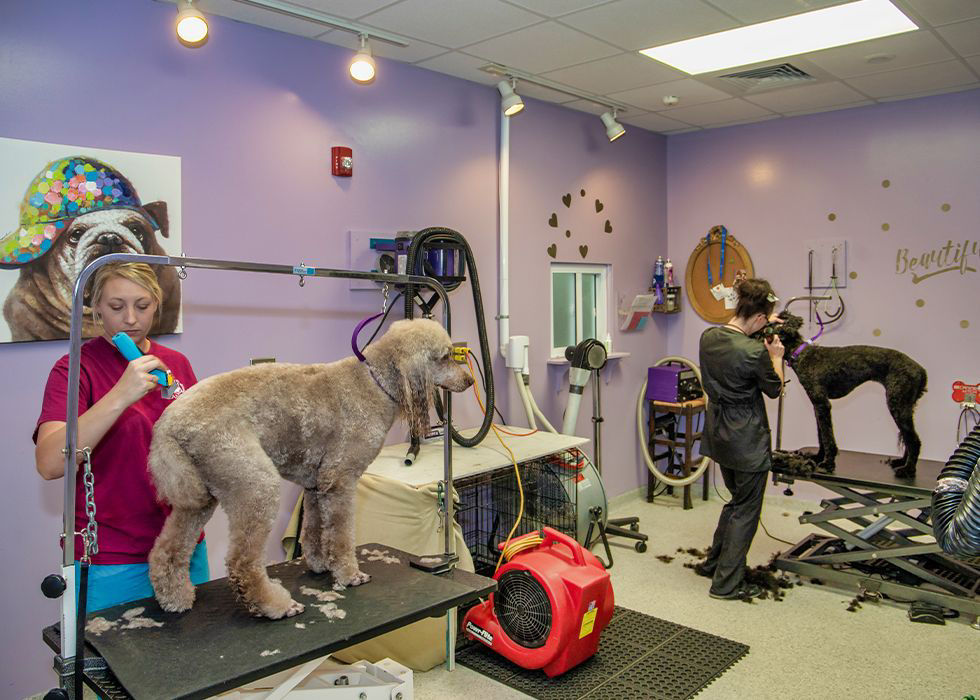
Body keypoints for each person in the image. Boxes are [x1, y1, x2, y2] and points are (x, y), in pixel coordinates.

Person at [34, 262, 207, 611]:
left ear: (157, 304)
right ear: (96, 307)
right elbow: (51, 463)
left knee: (195, 656)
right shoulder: (75, 369)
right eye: (116, 307)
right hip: (113, 556)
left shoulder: (176, 363)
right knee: (116, 662)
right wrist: (121, 395)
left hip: (183, 544)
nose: (130, 318)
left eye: (142, 306)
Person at [697, 278, 784, 600]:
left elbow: (737, 338)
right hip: (747, 439)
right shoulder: (754, 352)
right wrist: (775, 355)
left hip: (720, 433)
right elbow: (775, 389)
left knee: (736, 501)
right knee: (747, 509)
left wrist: (762, 324)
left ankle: (714, 563)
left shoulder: (709, 337)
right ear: (760, 318)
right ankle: (726, 584)